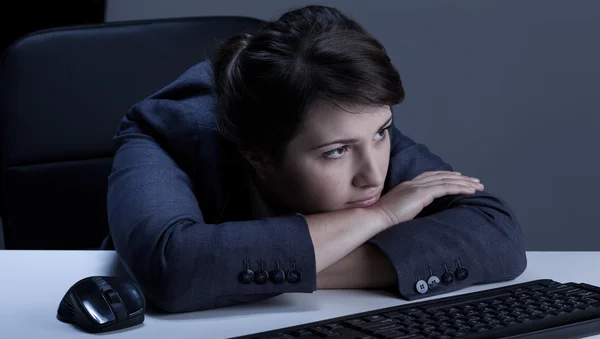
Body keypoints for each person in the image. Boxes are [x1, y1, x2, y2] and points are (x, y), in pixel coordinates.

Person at [103, 5, 527, 313]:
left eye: (383, 132)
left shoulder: (354, 124)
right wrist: (380, 216)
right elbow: (172, 268)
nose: (372, 175)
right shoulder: (163, 132)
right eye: (336, 152)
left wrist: (234, 278)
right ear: (261, 158)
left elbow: (497, 236)